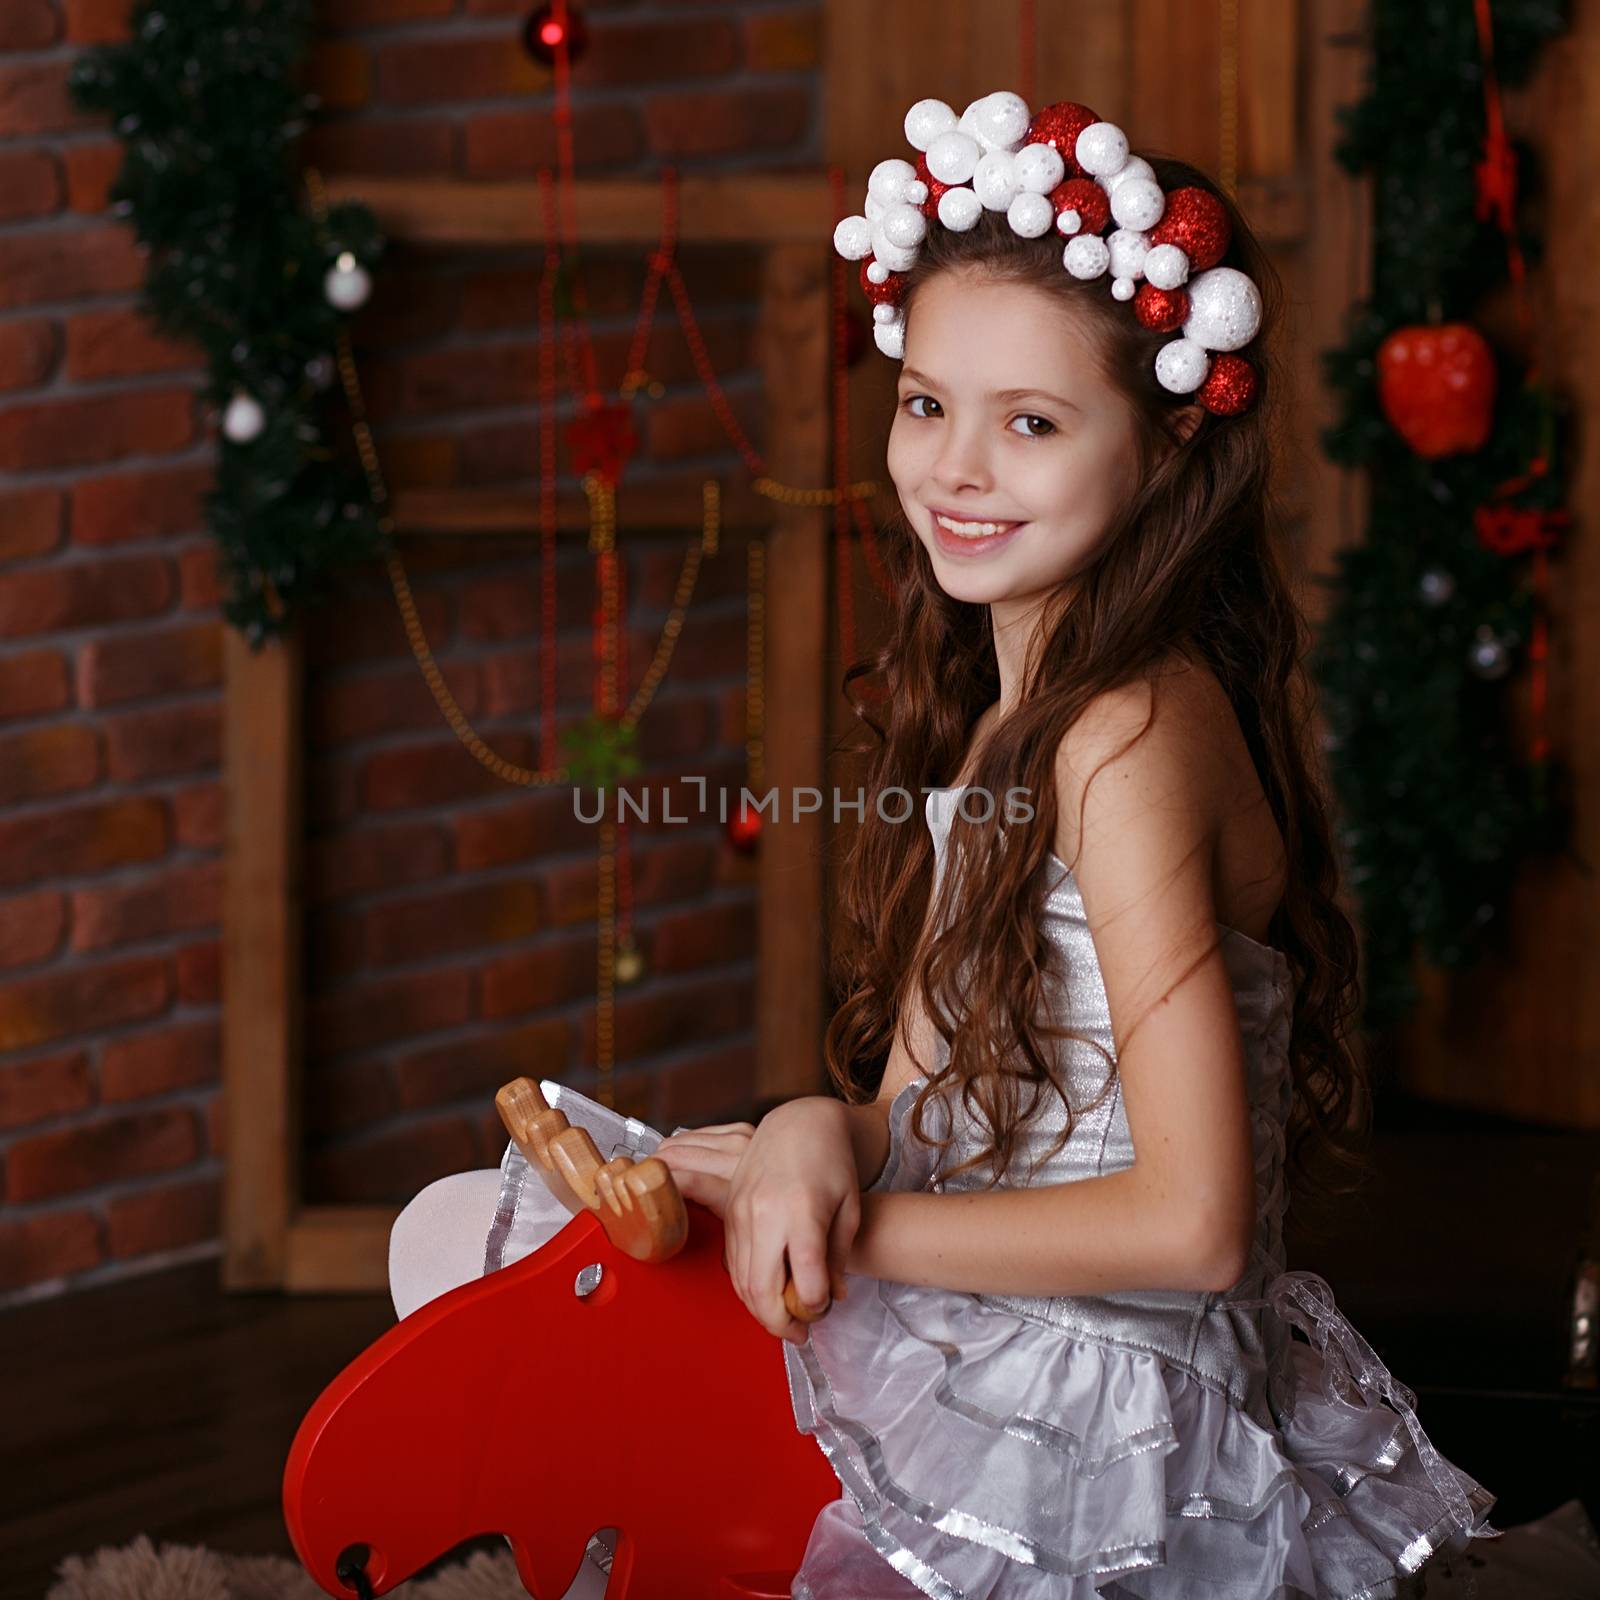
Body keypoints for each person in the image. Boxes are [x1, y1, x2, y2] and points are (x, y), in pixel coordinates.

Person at [649, 93, 1504, 1597]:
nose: (956, 469)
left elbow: (1192, 1224)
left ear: (1170, 438)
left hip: (1109, 1425)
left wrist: (861, 1238)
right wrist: (803, 1134)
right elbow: (918, 1108)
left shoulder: (1124, 736)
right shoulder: (1009, 725)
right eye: (927, 403)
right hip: (988, 1326)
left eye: (1030, 423)